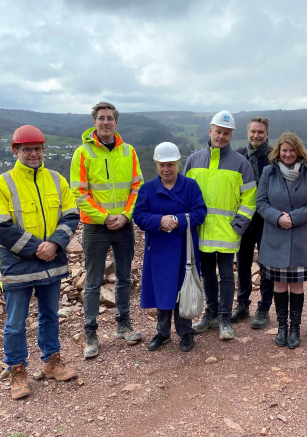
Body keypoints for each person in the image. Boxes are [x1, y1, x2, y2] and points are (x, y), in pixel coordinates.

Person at [0, 126, 80, 399]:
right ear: (15, 151)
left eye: (38, 148)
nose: (33, 153)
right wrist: (37, 248)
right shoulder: (0, 185)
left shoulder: (57, 180)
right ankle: (17, 370)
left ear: (43, 149)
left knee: (50, 315)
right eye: (27, 149)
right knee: (15, 322)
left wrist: (54, 244)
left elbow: (71, 215)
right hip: (18, 265)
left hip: (51, 261)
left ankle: (52, 361)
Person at [70, 102, 144, 358]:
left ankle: (123, 325)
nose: (105, 122)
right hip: (95, 227)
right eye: (101, 118)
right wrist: (105, 217)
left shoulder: (129, 151)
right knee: (92, 283)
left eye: (110, 118)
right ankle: (91, 333)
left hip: (124, 226)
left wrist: (125, 216)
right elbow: (79, 193)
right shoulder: (83, 153)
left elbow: (137, 187)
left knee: (125, 278)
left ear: (116, 122)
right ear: (94, 122)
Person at [184, 110, 257, 341]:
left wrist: (239, 224)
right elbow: (183, 193)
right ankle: (211, 313)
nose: (222, 136)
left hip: (228, 232)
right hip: (201, 231)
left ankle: (225, 317)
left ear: (231, 135)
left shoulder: (240, 163)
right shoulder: (194, 160)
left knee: (226, 275)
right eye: (218, 132)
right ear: (210, 131)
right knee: (206, 275)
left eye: (226, 133)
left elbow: (249, 198)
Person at [133, 142, 207, 353]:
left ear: (178, 163)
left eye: (171, 165)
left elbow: (200, 212)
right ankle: (163, 333)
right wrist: (159, 221)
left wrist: (177, 220)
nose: (166, 170)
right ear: (157, 165)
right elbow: (138, 216)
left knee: (184, 288)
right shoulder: (147, 189)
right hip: (158, 249)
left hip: (185, 248)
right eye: (162, 165)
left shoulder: (190, 186)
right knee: (162, 290)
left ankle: (185, 332)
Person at [257, 132, 307, 349]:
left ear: (298, 151)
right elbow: (261, 202)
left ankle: (295, 328)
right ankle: (282, 326)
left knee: (296, 285)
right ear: (278, 151)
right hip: (275, 236)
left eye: (291, 150)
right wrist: (278, 218)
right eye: (284, 150)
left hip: (301, 237)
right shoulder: (268, 172)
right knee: (278, 284)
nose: (287, 154)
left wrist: (292, 218)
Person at [231, 117, 274, 329]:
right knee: (243, 264)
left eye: (260, 132)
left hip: (266, 220)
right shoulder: (239, 155)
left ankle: (264, 308)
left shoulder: (274, 156)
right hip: (244, 218)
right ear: (248, 132)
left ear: (267, 134)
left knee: (266, 266)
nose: (256, 135)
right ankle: (243, 304)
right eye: (253, 131)